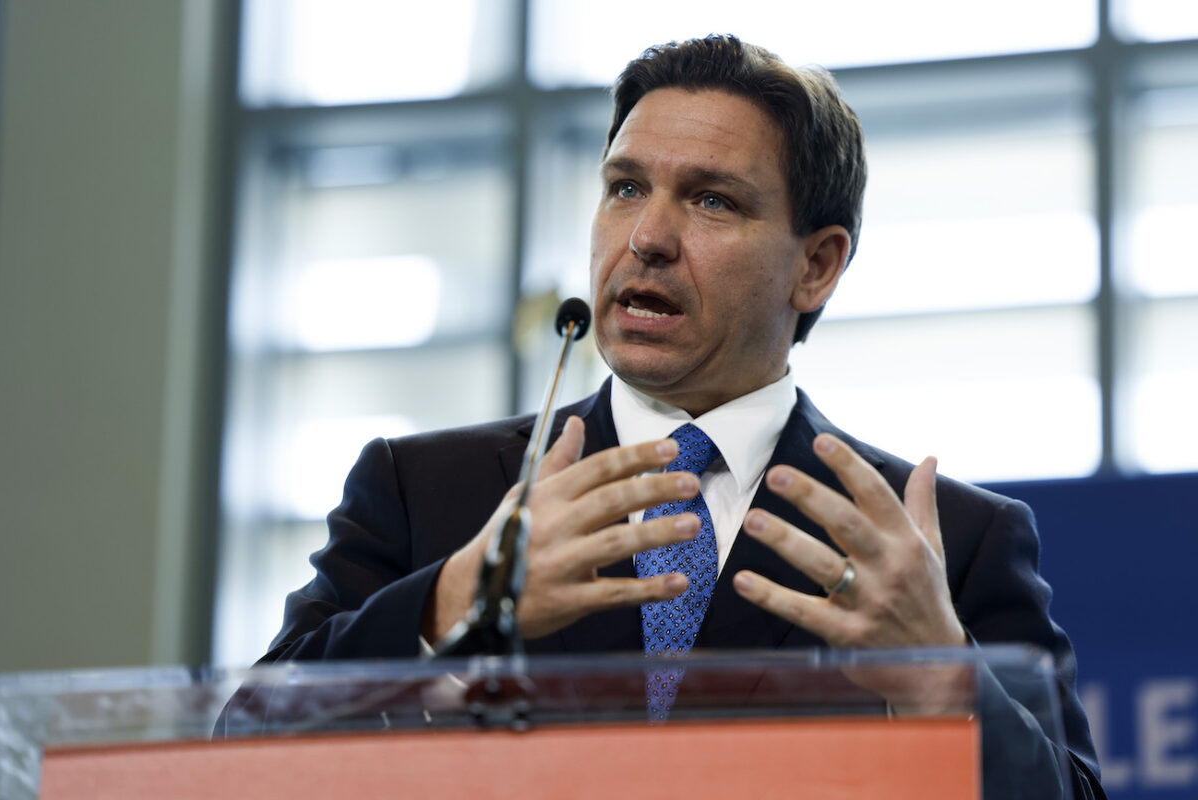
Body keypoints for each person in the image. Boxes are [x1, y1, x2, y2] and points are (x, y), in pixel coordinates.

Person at [256, 34, 1103, 798]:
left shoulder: (936, 542)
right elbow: (245, 742)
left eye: (712, 201)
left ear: (816, 265)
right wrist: (454, 601)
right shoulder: (428, 492)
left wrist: (944, 682)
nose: (647, 237)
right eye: (625, 188)